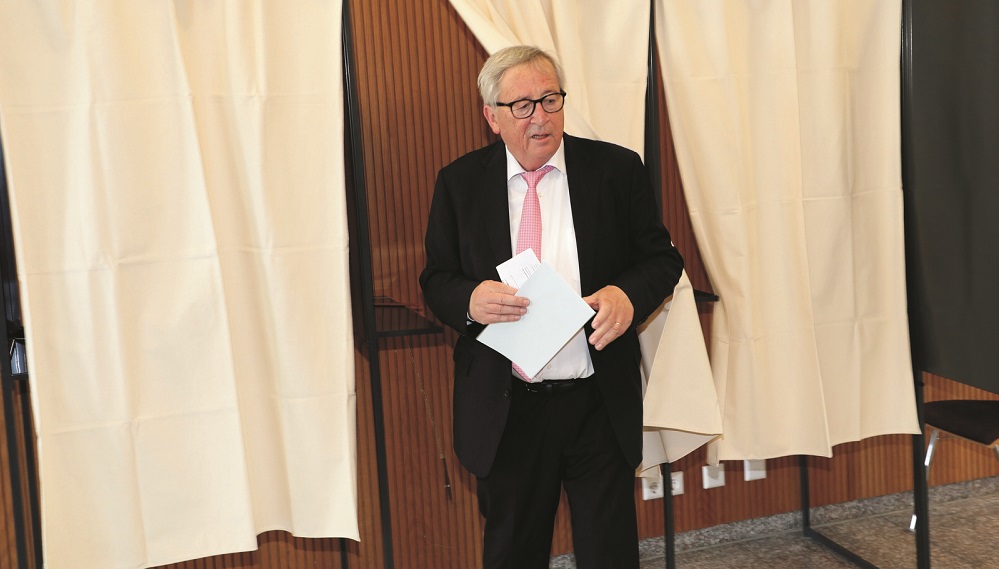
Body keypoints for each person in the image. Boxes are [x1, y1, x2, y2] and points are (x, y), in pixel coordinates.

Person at [419, 45, 683, 569]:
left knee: (609, 552)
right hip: (507, 405)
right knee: (513, 552)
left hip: (597, 401)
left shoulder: (616, 169)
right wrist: (469, 300)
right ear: (491, 117)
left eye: (550, 100)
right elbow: (435, 279)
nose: (540, 117)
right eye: (522, 106)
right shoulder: (460, 183)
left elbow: (661, 259)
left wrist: (626, 296)